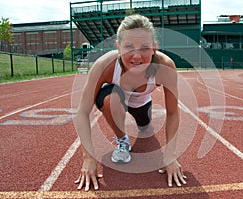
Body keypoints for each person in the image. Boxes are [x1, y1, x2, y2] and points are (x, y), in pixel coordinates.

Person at [74, 14, 187, 191]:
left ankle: (144, 121)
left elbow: (172, 113)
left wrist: (171, 155)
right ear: (118, 47)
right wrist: (88, 157)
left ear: (154, 48)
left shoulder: (165, 67)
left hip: (142, 104)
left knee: (145, 127)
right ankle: (122, 140)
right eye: (128, 47)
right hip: (116, 101)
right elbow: (82, 112)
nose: (136, 55)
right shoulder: (104, 65)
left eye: (144, 47)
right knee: (110, 99)